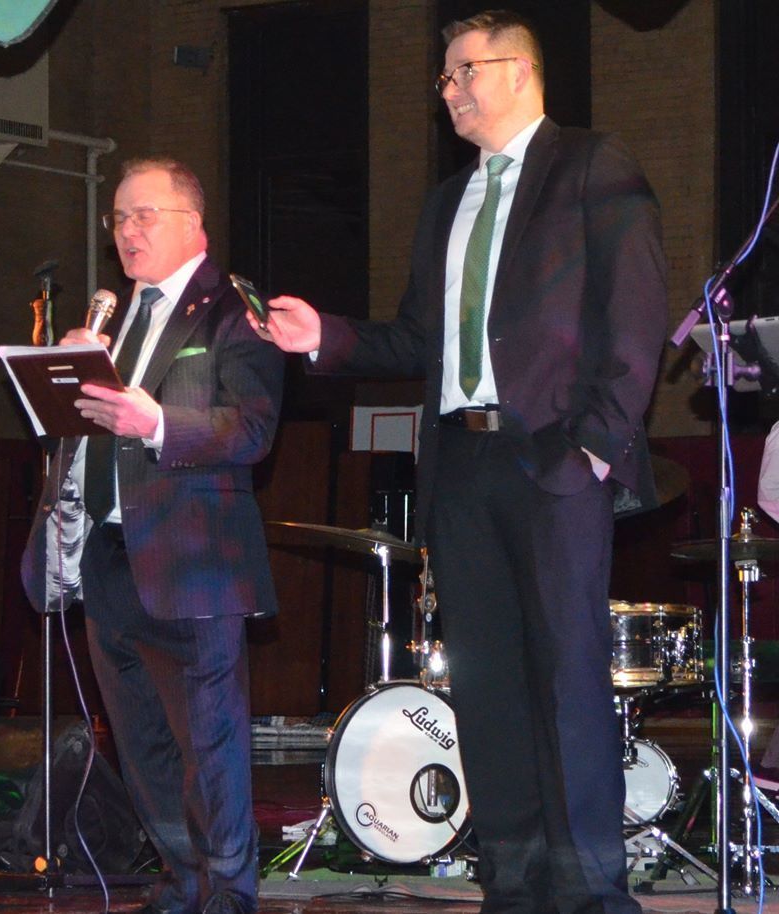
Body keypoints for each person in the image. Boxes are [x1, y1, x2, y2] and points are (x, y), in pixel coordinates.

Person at [249, 11, 666, 914]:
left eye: (462, 72)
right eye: (443, 80)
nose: (449, 92)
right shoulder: (450, 202)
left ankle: (597, 895)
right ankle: (513, 887)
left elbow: (633, 321)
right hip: (461, 468)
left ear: (519, 71)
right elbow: (415, 335)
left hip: (552, 461)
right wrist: (329, 335)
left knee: (567, 684)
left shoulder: (594, 166)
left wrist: (592, 448)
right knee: (488, 692)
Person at [22, 157, 284, 914]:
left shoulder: (235, 311)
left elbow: (254, 427)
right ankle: (183, 879)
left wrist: (158, 421)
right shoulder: (117, 319)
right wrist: (65, 376)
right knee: (141, 745)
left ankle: (230, 892)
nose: (127, 232)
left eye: (145, 216)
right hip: (107, 558)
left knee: (209, 746)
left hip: (195, 561)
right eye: (118, 219)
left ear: (193, 224)